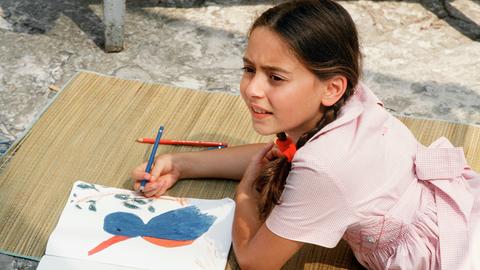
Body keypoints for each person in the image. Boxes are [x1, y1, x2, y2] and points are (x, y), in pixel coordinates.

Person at [131, 0, 480, 269]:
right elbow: (275, 154)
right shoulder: (350, 99)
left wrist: (246, 196)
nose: (252, 89)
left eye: (275, 77)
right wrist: (182, 163)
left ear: (331, 87)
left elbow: (256, 261)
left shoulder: (325, 167)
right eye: (249, 69)